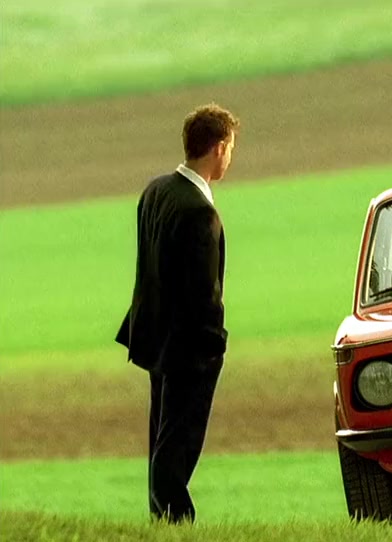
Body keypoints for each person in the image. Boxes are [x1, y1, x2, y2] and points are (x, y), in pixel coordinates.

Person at [116, 103, 239, 522]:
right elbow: (205, 294)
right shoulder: (200, 212)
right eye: (230, 147)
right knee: (177, 446)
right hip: (190, 349)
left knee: (161, 437)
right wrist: (215, 345)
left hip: (155, 338)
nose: (230, 157)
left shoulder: (156, 191)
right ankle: (178, 522)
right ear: (218, 147)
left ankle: (161, 522)